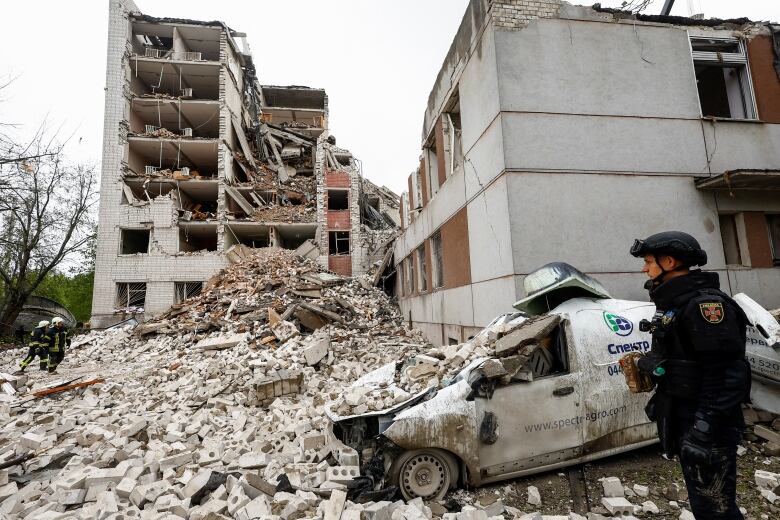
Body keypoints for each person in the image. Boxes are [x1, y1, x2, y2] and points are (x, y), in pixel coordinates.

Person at [629, 231, 750, 519]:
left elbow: (727, 374)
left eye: (648, 261)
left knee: (716, 508)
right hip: (689, 416)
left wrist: (703, 430)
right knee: (705, 505)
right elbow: (687, 358)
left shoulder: (704, 306)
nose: (645, 268)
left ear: (668, 261)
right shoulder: (677, 303)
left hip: (708, 424)